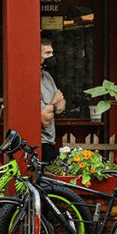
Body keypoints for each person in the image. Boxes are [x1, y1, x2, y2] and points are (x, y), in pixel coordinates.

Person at [40, 34, 65, 162]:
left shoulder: (47, 76)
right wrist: (54, 102)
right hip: (40, 144)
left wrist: (49, 106)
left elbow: (62, 104)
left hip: (51, 142)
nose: (51, 57)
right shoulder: (32, 81)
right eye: (47, 53)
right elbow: (44, 119)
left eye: (52, 53)